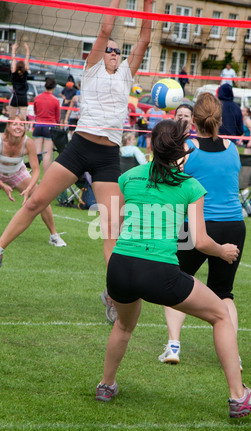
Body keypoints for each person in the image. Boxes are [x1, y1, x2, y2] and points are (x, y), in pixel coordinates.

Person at [95, 118, 251, 419]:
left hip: (120, 267)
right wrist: (223, 250)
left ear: (151, 146)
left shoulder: (129, 177)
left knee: (123, 326)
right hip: (158, 272)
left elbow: (114, 225)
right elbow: (201, 241)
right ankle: (239, 397)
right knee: (220, 315)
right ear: (182, 152)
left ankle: (105, 385)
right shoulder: (191, 186)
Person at [0, 0, 153, 324]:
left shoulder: (126, 73)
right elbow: (106, 28)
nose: (112, 52)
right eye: (108, 50)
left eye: (116, 51)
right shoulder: (93, 68)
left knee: (112, 228)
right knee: (36, 200)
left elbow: (143, 40)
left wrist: (149, 4)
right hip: (80, 146)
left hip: (108, 155)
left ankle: (112, 296)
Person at [159, 93, 246, 371]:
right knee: (224, 293)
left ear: (193, 120)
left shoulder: (189, 148)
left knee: (176, 283)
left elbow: (171, 180)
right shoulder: (232, 148)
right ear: (220, 120)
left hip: (199, 225)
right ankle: (234, 355)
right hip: (234, 225)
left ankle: (173, 344)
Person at [0, 115, 66, 267]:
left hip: (17, 174)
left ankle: (54, 235)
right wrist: (3, 185)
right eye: (15, 124)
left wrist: (30, 188)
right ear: (8, 127)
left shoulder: (28, 143)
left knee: (41, 198)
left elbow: (36, 170)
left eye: (21, 125)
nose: (18, 127)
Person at [32, 77, 60, 174]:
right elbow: (57, 118)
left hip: (38, 126)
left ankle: (33, 177)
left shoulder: (37, 97)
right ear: (54, 88)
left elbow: (35, 112)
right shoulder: (55, 100)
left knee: (36, 154)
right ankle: (45, 180)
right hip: (49, 128)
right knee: (47, 155)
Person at [9, 42, 29, 119]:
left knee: (11, 119)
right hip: (23, 97)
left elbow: (13, 59)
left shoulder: (14, 72)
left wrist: (13, 49)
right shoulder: (25, 72)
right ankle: (24, 131)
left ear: (16, 67)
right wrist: (27, 49)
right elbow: (27, 59)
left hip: (16, 97)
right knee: (23, 120)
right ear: (24, 67)